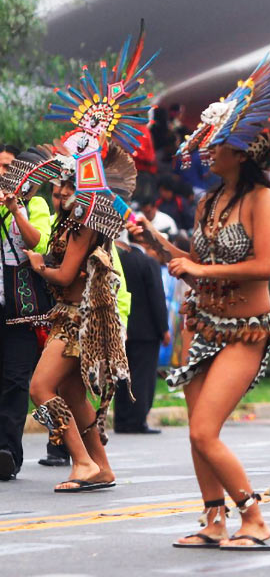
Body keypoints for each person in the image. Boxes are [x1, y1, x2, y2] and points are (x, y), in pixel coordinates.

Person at [133, 34, 270, 550]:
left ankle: (254, 517)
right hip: (202, 323)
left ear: (242, 150)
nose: (207, 149)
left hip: (246, 330)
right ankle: (214, 521)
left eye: (216, 142)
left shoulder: (263, 198)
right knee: (198, 431)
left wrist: (198, 266)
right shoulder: (209, 201)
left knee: (202, 431)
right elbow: (196, 268)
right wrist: (154, 242)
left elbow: (263, 266)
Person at [26, 144, 136, 493]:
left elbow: (66, 274)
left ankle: (83, 461)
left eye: (66, 189)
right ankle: (101, 467)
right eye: (57, 191)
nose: (60, 196)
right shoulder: (77, 221)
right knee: (72, 393)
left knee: (40, 388)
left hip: (77, 320)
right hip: (71, 315)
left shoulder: (84, 224)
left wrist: (38, 265)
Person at [0, 147, 54, 480]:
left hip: (23, 309)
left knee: (16, 381)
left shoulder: (37, 206)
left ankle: (8, 452)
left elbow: (39, 244)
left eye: (9, 167)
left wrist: (16, 210)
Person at [113, 233, 169, 434]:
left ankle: (121, 419)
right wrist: (164, 329)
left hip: (121, 326)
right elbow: (157, 298)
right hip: (146, 331)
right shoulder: (148, 263)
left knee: (123, 376)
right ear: (146, 243)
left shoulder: (118, 260)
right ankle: (137, 420)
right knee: (142, 377)